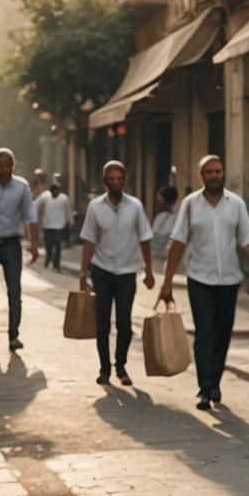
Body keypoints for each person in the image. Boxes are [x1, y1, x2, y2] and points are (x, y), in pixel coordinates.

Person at [158, 155, 249, 410]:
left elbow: (248, 238)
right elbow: (178, 242)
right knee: (204, 333)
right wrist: (167, 281)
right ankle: (204, 388)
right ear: (200, 175)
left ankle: (215, 382)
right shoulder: (191, 205)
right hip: (199, 278)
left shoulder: (235, 204)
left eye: (219, 171)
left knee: (223, 334)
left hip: (229, 280)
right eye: (210, 172)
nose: (215, 175)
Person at [79, 161, 154, 386]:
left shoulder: (135, 207)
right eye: (111, 179)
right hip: (101, 271)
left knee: (124, 322)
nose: (115, 183)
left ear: (124, 181)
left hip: (126, 273)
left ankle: (120, 364)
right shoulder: (95, 207)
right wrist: (83, 272)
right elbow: (89, 240)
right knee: (102, 323)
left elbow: (145, 238)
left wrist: (149, 271)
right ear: (105, 181)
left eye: (119, 179)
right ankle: (104, 369)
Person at [0, 148, 39, 352]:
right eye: (0, 165)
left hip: (11, 246)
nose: (4, 169)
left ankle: (13, 335)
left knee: (14, 292)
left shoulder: (22, 187)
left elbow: (30, 216)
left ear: (13, 165)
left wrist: (34, 246)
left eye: (8, 164)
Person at [37, 181, 73, 272]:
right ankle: (48, 260)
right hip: (47, 225)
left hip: (59, 226)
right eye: (52, 191)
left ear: (59, 191)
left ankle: (56, 264)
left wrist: (70, 220)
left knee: (58, 246)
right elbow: (37, 206)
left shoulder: (64, 198)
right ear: (50, 191)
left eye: (56, 190)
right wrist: (39, 215)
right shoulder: (45, 197)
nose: (54, 192)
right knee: (48, 245)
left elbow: (68, 210)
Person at [150, 185, 179, 267]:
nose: (157, 205)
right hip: (156, 260)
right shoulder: (160, 217)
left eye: (159, 201)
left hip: (165, 262)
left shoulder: (173, 219)